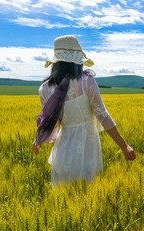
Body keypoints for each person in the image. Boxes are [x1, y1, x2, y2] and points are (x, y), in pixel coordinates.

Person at [32, 35, 136, 186]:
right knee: (89, 190)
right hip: (88, 147)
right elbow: (103, 115)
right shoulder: (86, 81)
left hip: (63, 149)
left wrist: (40, 137)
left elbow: (52, 122)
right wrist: (123, 145)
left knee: (64, 197)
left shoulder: (45, 88)